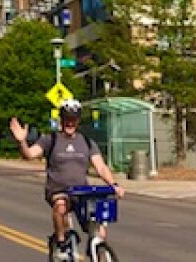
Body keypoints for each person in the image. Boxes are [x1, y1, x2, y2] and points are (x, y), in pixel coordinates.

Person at [10, 99, 124, 262]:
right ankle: (61, 243)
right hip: (58, 190)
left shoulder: (86, 142)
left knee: (99, 229)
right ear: (61, 120)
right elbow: (29, 154)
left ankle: (97, 251)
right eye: (66, 119)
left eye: (73, 119)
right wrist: (21, 141)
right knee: (61, 207)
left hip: (82, 192)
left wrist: (114, 185)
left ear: (78, 121)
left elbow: (101, 167)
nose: (70, 122)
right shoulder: (51, 139)